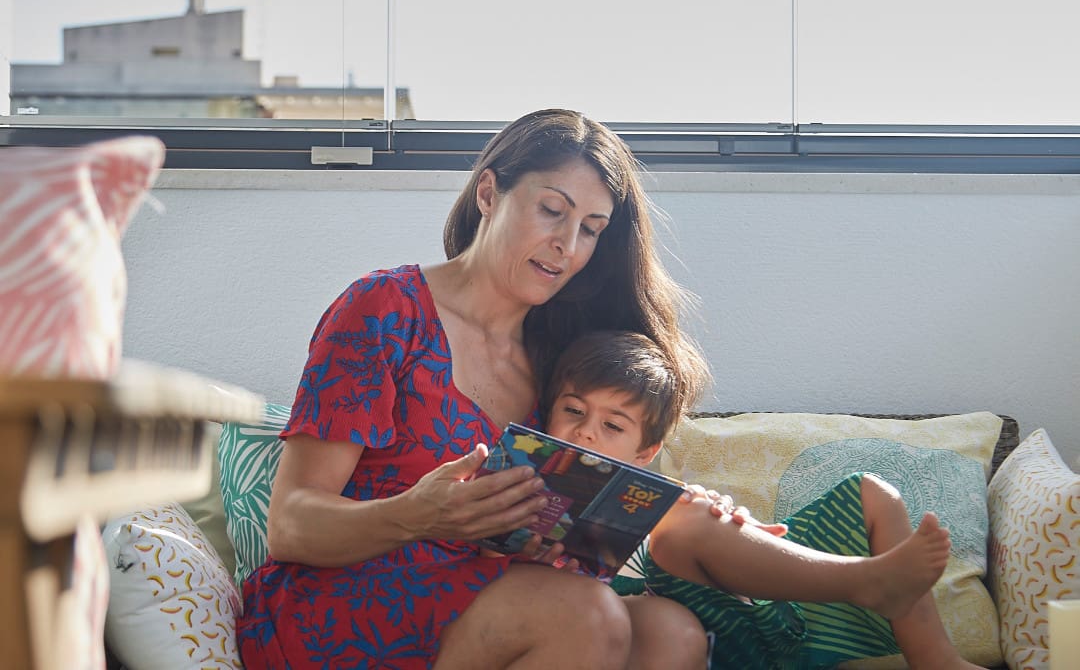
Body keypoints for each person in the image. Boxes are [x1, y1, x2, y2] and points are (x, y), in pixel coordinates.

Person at [236, 108, 713, 670]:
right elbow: (291, 526)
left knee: (671, 632)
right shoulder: (384, 309)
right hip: (345, 604)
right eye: (552, 210)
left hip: (485, 601)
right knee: (586, 613)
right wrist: (414, 515)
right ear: (488, 192)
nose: (567, 244)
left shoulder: (563, 359)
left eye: (590, 229)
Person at [541, 329, 984, 670]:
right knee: (681, 527)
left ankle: (935, 657)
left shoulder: (666, 503)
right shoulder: (527, 488)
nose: (586, 431)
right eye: (574, 411)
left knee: (872, 491)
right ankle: (868, 581)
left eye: (612, 426)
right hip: (697, 637)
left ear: (645, 452)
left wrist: (735, 531)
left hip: (771, 610)